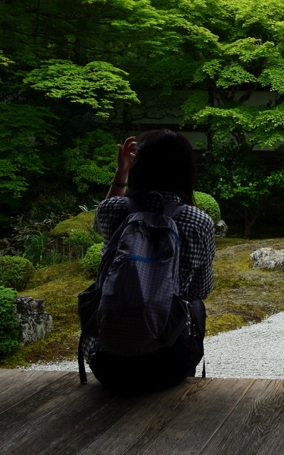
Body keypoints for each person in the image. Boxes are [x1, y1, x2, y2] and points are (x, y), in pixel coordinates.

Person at [84, 129, 216, 394]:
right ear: (186, 170)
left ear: (138, 166)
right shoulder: (199, 221)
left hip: (107, 367)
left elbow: (101, 221)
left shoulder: (114, 210)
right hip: (167, 368)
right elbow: (199, 290)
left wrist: (121, 174)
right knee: (196, 305)